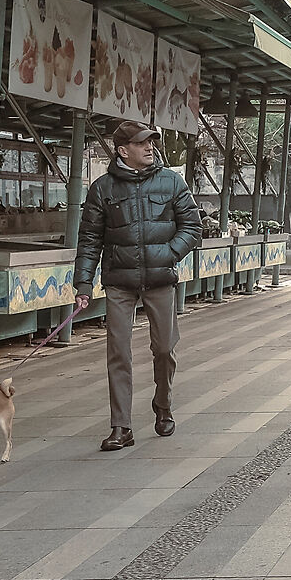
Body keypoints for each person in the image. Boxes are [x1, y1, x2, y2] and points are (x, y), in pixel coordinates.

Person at [74, 120, 201, 450]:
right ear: (122, 150)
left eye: (151, 142)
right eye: (142, 143)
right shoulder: (102, 189)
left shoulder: (171, 182)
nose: (149, 147)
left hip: (160, 279)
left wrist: (169, 253)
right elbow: (89, 239)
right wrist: (83, 285)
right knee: (118, 352)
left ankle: (163, 404)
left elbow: (192, 227)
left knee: (164, 348)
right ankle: (122, 426)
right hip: (119, 281)